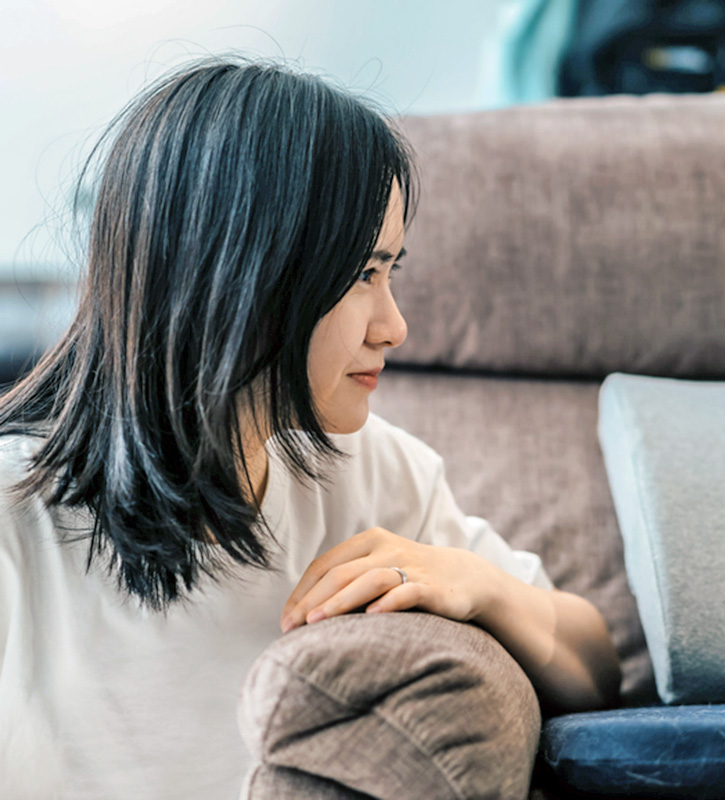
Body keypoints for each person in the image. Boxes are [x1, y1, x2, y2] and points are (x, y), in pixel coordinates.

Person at [0, 57, 621, 799]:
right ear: (244, 277)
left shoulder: (378, 476)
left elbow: (595, 669)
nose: (396, 326)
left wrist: (479, 586)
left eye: (392, 272)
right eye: (365, 274)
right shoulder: (16, 528)